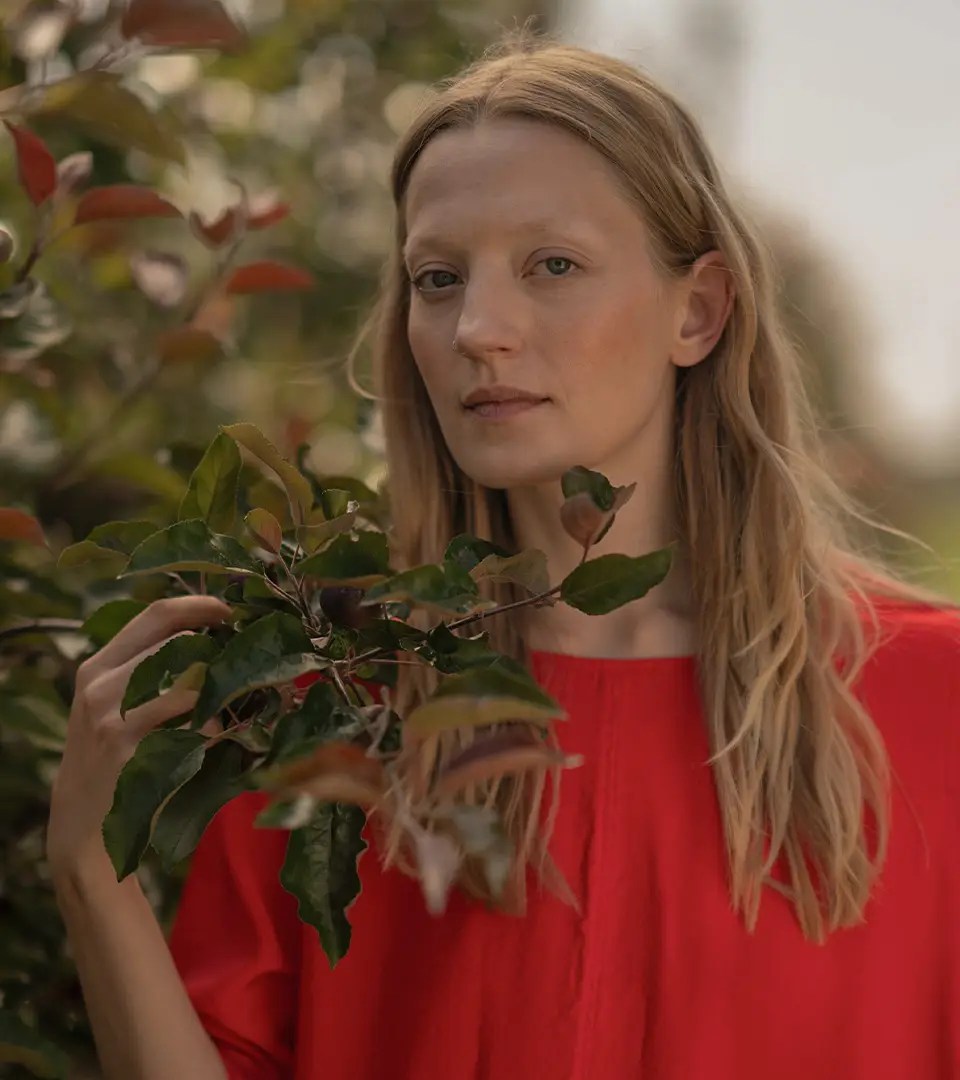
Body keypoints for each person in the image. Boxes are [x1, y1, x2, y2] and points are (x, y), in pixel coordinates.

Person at [46, 35, 960, 1080]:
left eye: (552, 265)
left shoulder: (938, 702)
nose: (479, 326)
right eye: (438, 278)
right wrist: (88, 872)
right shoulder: (326, 706)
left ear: (698, 310)